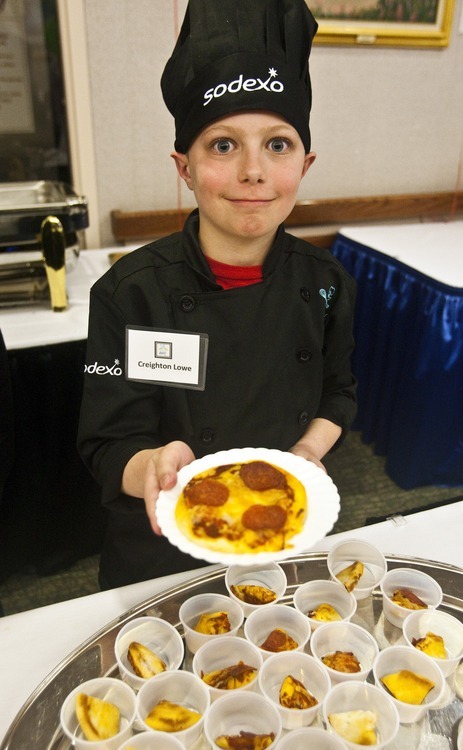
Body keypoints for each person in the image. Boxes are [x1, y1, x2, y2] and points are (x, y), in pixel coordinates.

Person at [77, 0, 357, 589]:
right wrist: (147, 466)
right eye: (223, 145)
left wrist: (306, 454)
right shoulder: (127, 294)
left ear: (304, 164)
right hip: (162, 548)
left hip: (284, 528)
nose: (253, 171)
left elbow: (339, 392)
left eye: (277, 145)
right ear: (184, 167)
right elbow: (106, 444)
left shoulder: (329, 282)